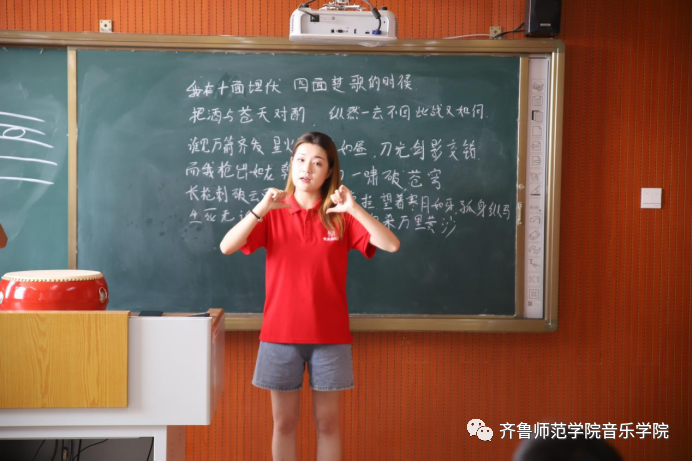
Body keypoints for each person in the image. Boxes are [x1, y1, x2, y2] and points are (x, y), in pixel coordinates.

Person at [220, 131, 400, 460]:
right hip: (279, 334)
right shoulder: (273, 212)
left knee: (328, 423)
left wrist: (354, 208)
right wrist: (262, 206)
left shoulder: (339, 215)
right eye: (301, 160)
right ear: (291, 164)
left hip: (330, 337)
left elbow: (391, 244)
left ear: (329, 171)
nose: (307, 168)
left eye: (317, 163)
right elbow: (226, 246)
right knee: (284, 423)